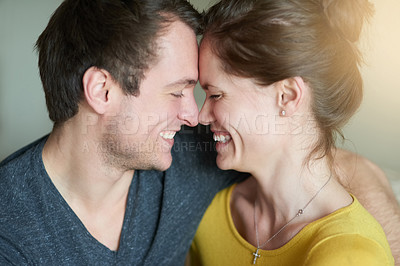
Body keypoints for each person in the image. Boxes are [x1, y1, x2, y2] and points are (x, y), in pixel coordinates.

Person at [0, 0, 398, 265]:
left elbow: (327, 163)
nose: (194, 116)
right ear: (102, 90)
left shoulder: (188, 152)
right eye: (177, 92)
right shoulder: (11, 231)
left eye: (209, 93)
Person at [190, 0, 396, 265]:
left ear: (287, 96)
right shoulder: (208, 213)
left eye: (216, 95)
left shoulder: (353, 252)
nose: (201, 116)